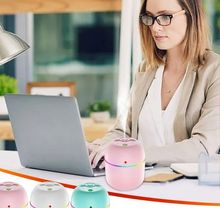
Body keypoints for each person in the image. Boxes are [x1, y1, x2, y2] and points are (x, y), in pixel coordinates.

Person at [88, 0, 220, 168]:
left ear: (191, 16)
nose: (155, 28)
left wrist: (134, 153)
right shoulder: (147, 69)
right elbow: (123, 131)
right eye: (149, 17)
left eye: (165, 17)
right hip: (137, 182)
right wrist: (97, 147)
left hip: (186, 190)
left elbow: (203, 147)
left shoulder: (215, 71)